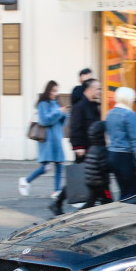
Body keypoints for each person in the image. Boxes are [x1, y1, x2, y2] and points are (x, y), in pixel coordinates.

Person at [52, 78, 102, 214]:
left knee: (93, 178)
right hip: (83, 149)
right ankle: (58, 202)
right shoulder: (80, 107)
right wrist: (77, 146)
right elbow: (75, 129)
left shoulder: (94, 106)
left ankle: (91, 204)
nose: (100, 91)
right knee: (80, 177)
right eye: (97, 88)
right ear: (89, 89)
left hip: (94, 149)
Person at [18, 80, 67, 198]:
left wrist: (64, 114)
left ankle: (56, 191)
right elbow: (45, 120)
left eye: (56, 91)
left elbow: (61, 123)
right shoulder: (43, 104)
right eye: (53, 90)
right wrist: (58, 113)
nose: (55, 93)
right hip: (47, 140)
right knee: (46, 167)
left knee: (59, 164)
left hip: (56, 138)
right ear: (48, 90)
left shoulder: (56, 103)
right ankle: (25, 181)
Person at [105, 86, 136, 199]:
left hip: (112, 155)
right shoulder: (130, 114)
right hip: (126, 157)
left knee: (123, 190)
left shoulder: (110, 113)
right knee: (133, 193)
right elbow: (135, 140)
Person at [82, 119, 114, 206]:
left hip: (92, 181)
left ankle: (80, 215)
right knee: (109, 202)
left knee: (90, 202)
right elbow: (105, 167)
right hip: (101, 184)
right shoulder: (102, 150)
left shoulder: (92, 148)